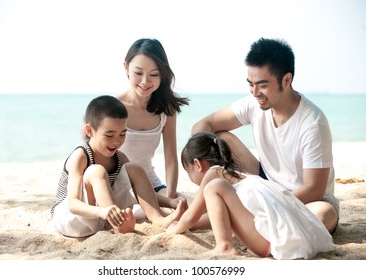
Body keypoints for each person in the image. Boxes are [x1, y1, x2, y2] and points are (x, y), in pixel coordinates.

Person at [191, 38, 339, 233]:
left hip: (305, 201)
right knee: (221, 137)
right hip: (265, 183)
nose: (255, 92)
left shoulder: (312, 123)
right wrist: (195, 159)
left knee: (323, 214)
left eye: (262, 85)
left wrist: (264, 202)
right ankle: (208, 207)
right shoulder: (254, 103)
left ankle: (214, 216)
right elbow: (203, 125)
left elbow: (314, 189)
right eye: (250, 84)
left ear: (286, 80)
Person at [168, 132, 334, 259]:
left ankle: (224, 245)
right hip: (297, 240)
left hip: (269, 244)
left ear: (197, 164)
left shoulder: (213, 175)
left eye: (187, 171)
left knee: (213, 187)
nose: (190, 178)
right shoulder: (241, 176)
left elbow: (192, 216)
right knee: (217, 188)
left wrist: (176, 228)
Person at [51, 95, 186, 238]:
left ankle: (158, 219)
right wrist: (102, 212)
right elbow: (73, 204)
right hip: (71, 219)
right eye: (109, 135)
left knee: (135, 169)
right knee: (97, 171)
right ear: (90, 131)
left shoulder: (120, 157)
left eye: (122, 134)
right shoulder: (81, 156)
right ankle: (118, 225)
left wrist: (170, 202)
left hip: (104, 217)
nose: (116, 141)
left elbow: (142, 193)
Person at [118, 38, 190, 208]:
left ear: (162, 75)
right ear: (126, 67)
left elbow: (171, 159)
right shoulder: (113, 107)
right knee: (142, 212)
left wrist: (171, 197)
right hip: (119, 187)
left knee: (191, 206)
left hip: (152, 185)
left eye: (154, 74)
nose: (145, 81)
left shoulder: (167, 111)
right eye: (138, 73)